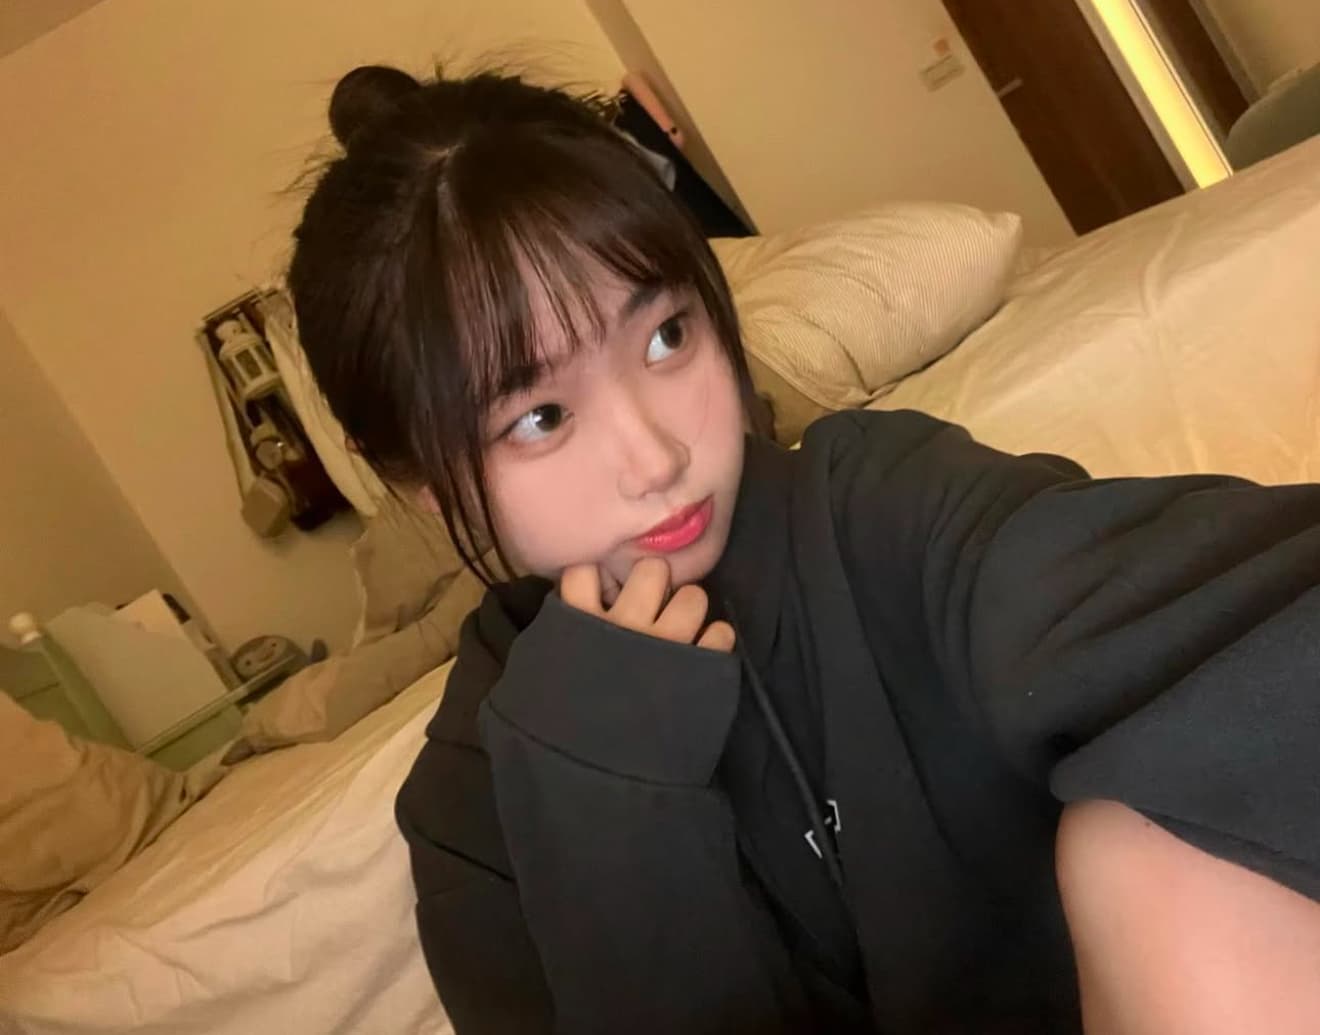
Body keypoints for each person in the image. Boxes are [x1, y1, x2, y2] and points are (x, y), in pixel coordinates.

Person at [287, 65, 1320, 1034]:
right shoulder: (469, 804)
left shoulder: (882, 504)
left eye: (666, 337)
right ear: (421, 485)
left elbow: (1234, 619)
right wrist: (605, 797)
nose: (657, 456)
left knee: (1147, 850)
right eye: (541, 418)